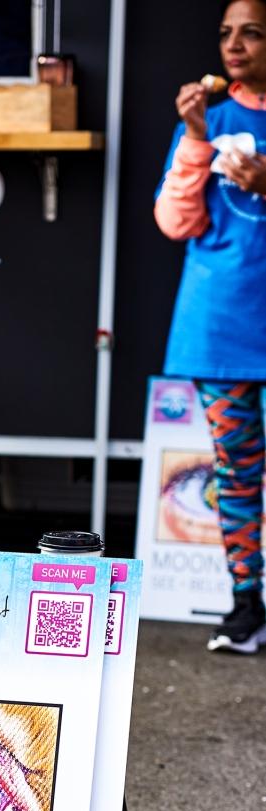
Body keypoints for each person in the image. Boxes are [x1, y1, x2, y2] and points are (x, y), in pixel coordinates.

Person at [155, 0, 266, 654]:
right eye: (226, 33)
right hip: (218, 329)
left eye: (251, 33)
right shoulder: (209, 120)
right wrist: (195, 135)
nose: (234, 45)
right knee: (235, 474)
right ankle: (245, 605)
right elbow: (176, 222)